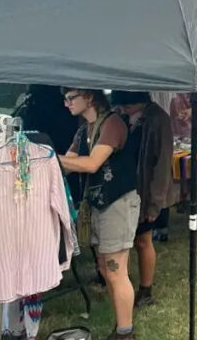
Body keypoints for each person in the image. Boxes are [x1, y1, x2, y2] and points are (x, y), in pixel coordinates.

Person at [58, 89, 140, 340]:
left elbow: (91, 163)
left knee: (115, 269)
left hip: (117, 202)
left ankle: (125, 333)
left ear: (89, 97)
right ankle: (120, 326)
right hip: (98, 203)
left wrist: (51, 157)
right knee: (106, 269)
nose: (66, 103)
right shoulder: (85, 128)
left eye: (71, 97)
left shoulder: (112, 123)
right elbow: (70, 163)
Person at [110, 91, 176, 309]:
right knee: (125, 243)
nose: (124, 110)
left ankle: (146, 291)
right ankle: (124, 285)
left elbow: (163, 163)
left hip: (146, 192)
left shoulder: (158, 119)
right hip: (125, 188)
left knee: (142, 240)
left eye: (127, 107)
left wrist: (155, 203)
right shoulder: (121, 116)